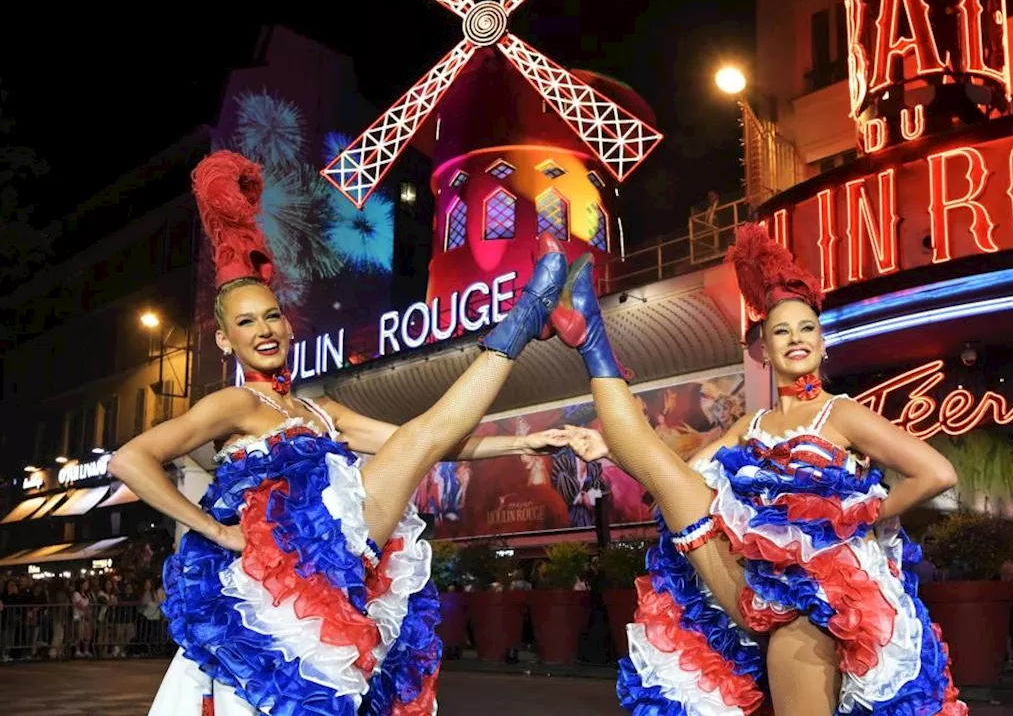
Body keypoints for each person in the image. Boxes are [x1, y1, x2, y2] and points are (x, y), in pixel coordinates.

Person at [108, 150, 576, 716]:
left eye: (272, 316)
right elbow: (130, 460)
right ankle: (527, 317)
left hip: (340, 568)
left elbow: (426, 445)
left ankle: (527, 318)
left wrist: (522, 442)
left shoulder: (322, 408)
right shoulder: (234, 402)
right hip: (278, 581)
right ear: (225, 341)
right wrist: (215, 530)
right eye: (246, 323)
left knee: (415, 442)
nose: (265, 330)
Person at [547, 223, 966, 716]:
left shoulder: (842, 413)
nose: (795, 338)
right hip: (745, 579)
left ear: (823, 342)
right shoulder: (754, 423)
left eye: (807, 328)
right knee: (669, 478)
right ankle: (590, 335)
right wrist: (607, 450)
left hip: (816, 603)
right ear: (763, 352)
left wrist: (858, 517)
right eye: (781, 331)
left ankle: (589, 333)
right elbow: (685, 473)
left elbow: (936, 473)